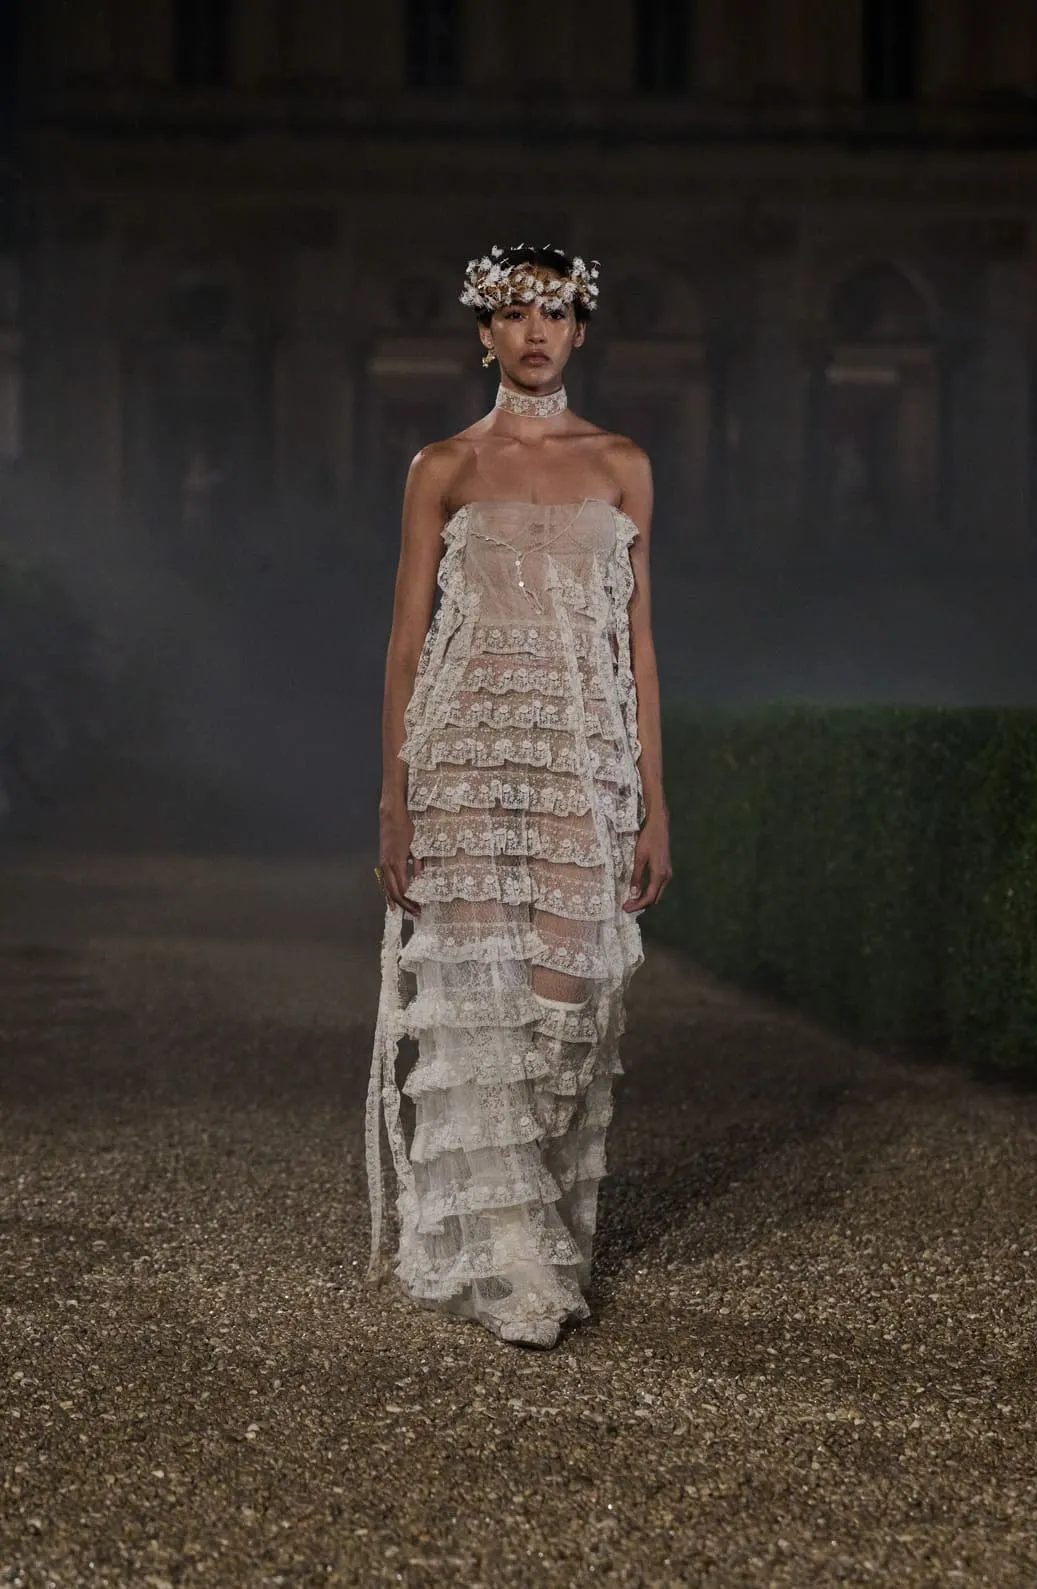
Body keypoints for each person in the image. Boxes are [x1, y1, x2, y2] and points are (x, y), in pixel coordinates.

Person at [365, 243, 671, 1348]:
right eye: (512, 312)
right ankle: (512, 1259)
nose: (534, 330)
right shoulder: (443, 464)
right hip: (461, 751)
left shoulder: (621, 462)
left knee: (565, 1003)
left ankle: (518, 1221)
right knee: (479, 1008)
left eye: (553, 311)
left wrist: (655, 800)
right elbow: (407, 638)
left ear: (580, 328)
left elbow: (637, 640)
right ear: (483, 330)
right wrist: (394, 796)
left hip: (584, 754)